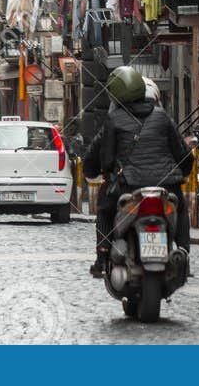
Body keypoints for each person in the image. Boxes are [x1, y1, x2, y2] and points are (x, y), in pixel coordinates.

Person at [83, 67, 193, 279]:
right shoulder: (162, 117)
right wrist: (183, 172)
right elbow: (182, 154)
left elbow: (104, 161)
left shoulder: (114, 120)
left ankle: (102, 256)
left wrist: (97, 171)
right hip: (166, 186)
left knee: (105, 209)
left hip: (129, 186)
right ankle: (184, 251)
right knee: (181, 207)